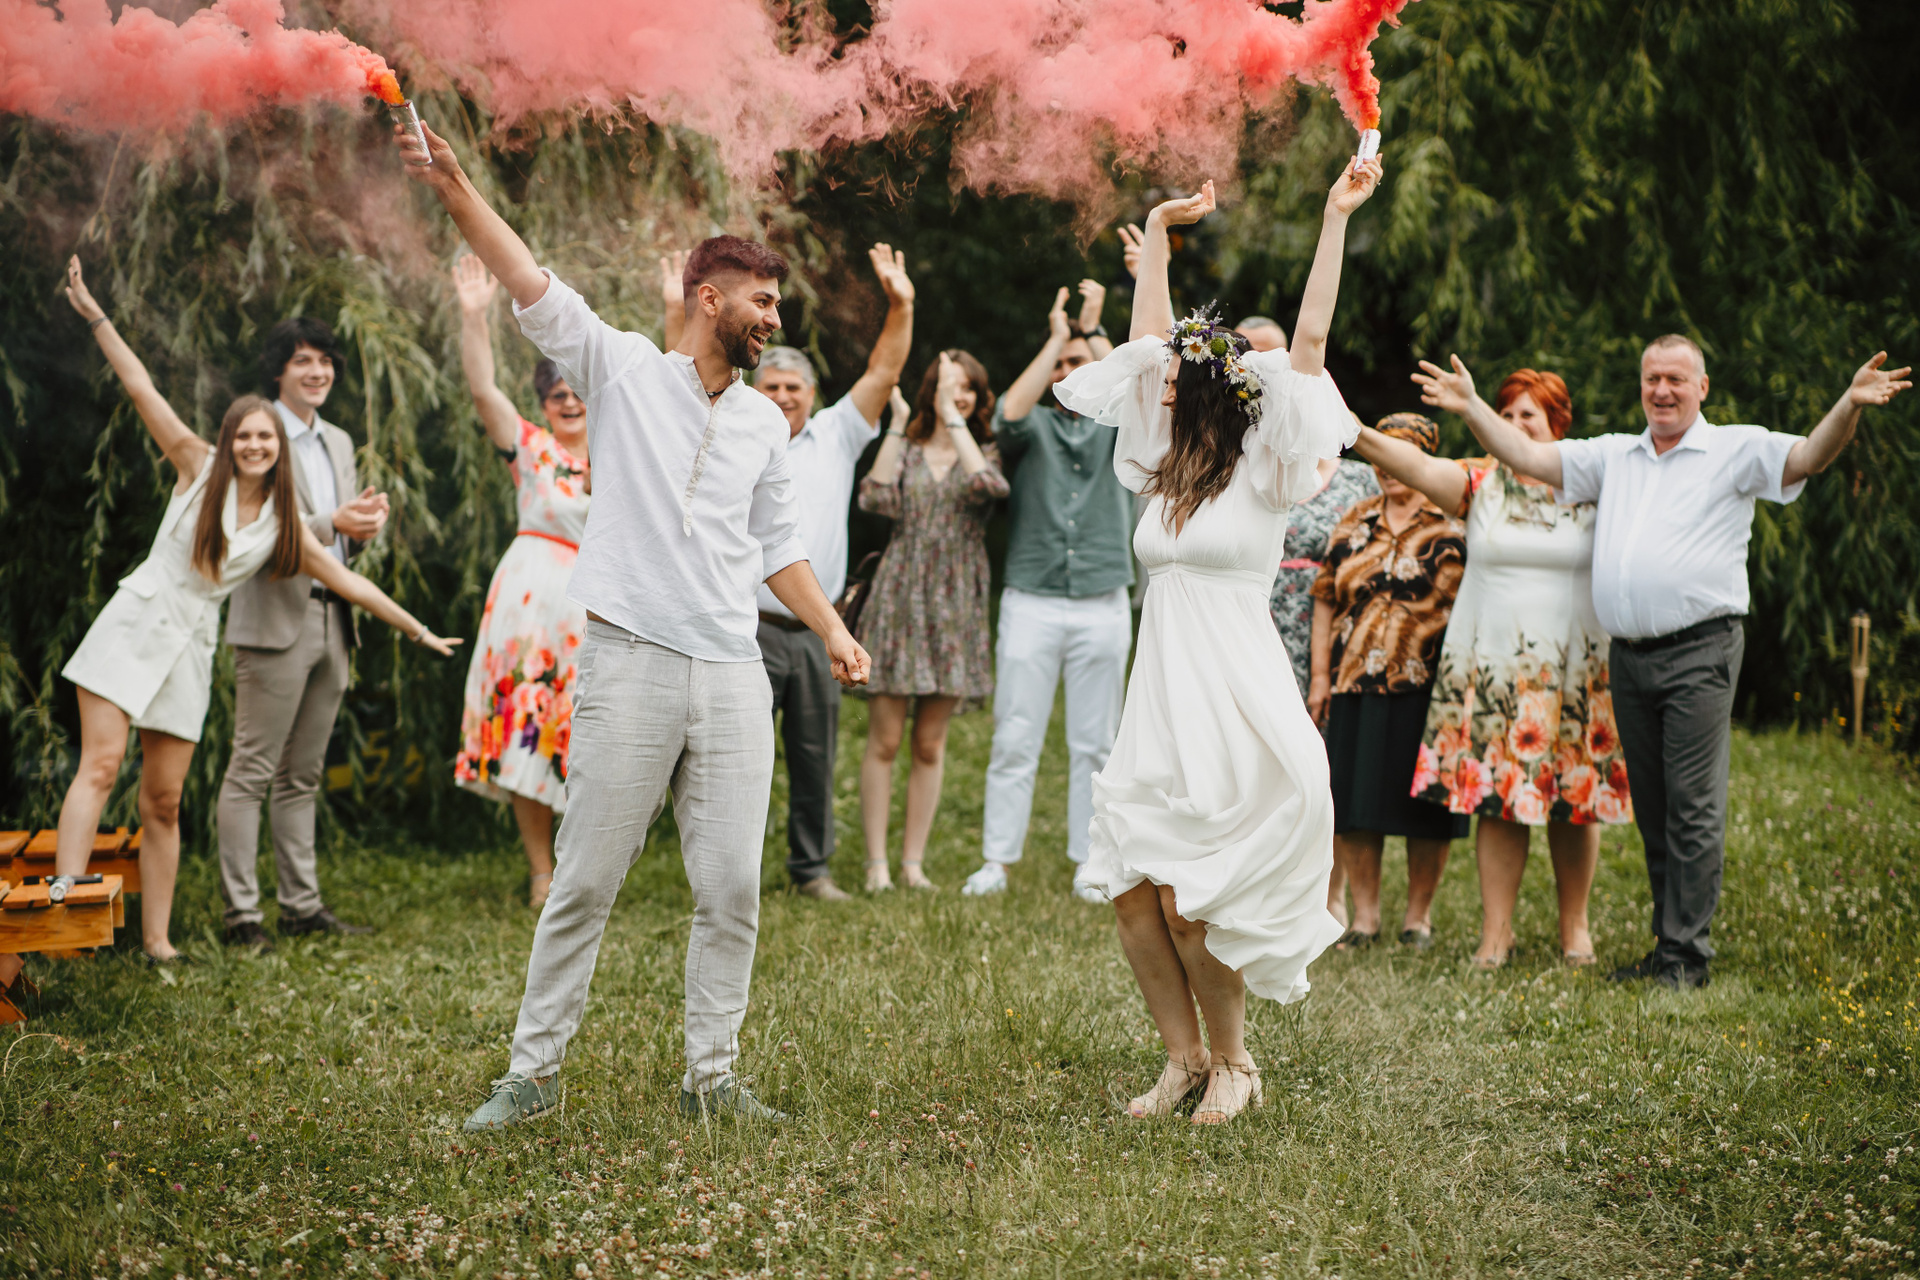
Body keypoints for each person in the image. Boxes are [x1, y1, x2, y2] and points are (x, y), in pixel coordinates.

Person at [396, 121, 870, 1130]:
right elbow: (525, 276)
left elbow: (777, 546)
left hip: (733, 670)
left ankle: (713, 1078)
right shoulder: (620, 371)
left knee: (732, 887)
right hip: (631, 662)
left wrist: (831, 628)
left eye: (777, 302)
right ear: (710, 299)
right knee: (585, 879)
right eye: (762, 300)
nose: (774, 317)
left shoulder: (764, 421)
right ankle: (531, 1075)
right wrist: (454, 186)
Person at [1415, 339, 1910, 989]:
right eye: (1652, 378)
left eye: (1676, 378)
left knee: (1692, 807)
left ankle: (1686, 956)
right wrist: (1474, 407)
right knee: (1654, 805)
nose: (1663, 390)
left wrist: (1849, 403)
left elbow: (1809, 457)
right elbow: (1528, 455)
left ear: (1702, 387)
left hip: (1700, 650)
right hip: (1630, 658)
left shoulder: (1735, 448)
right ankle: (1668, 943)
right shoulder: (1614, 456)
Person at [1061, 159, 1380, 1126]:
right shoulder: (1163, 463)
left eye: (1182, 375)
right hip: (1159, 693)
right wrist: (1159, 233)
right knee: (1133, 893)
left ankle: (1236, 1064)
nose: (1165, 382)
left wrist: (1335, 215)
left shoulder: (1271, 467)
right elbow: (1148, 337)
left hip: (1232, 689)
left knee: (1194, 900)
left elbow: (1311, 340)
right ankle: (1182, 1060)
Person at [52, 258, 458, 960]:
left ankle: (158, 941)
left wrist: (421, 631)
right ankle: (63, 901)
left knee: (164, 800)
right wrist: (96, 317)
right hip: (139, 620)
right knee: (103, 766)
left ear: (278, 452)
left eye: (265, 439)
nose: (254, 445)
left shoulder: (283, 528)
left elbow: (353, 584)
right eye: (244, 435)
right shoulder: (196, 466)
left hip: (192, 644)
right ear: (230, 438)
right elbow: (140, 385)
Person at [1352, 370, 1628, 968]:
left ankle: (1575, 928)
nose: (1516, 426)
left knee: (1575, 801)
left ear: (1559, 424)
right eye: (1506, 415)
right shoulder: (1480, 483)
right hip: (1495, 675)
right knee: (1500, 802)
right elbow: (1413, 465)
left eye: (1529, 415)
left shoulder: (1594, 484)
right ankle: (1496, 932)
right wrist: (1352, 429)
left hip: (1573, 673)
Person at [214, 313, 393, 950]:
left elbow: (334, 542)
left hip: (332, 617)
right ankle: (241, 917)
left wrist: (362, 527)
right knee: (251, 771)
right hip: (273, 620)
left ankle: (301, 906)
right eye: (302, 360)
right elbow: (254, 531)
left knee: (303, 774)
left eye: (325, 360)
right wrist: (332, 521)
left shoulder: (338, 441)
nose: (318, 371)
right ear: (278, 371)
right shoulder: (256, 435)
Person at [753, 244, 916, 901]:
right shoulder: (735, 434)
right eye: (772, 386)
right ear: (754, 392)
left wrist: (901, 305)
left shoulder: (838, 435)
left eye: (793, 388)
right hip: (749, 626)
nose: (783, 396)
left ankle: (811, 872)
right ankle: (729, 870)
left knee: (815, 755)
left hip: (822, 631)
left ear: (812, 395)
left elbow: (884, 369)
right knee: (740, 757)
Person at [963, 280, 1134, 902]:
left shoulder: (1120, 428)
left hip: (1102, 599)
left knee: (1096, 742)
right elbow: (1007, 411)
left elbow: (1137, 384)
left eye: (1079, 365)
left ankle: (1091, 863)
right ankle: (997, 861)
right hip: (1032, 599)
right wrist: (1059, 338)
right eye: (1061, 366)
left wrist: (1094, 333)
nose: (1069, 372)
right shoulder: (1031, 426)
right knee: (1015, 734)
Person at [450, 254, 591, 910]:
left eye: (577, 390)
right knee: (527, 725)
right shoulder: (531, 447)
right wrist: (473, 316)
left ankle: (585, 869)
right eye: (556, 394)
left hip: (596, 603)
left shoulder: (622, 448)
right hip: (530, 604)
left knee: (588, 731)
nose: (569, 402)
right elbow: (483, 391)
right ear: (543, 404)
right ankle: (541, 871)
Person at [1309, 414, 1470, 950]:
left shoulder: (1453, 521)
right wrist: (1320, 677)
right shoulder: (1355, 518)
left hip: (1429, 686)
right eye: (1382, 454)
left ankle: (1417, 918)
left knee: (1427, 810)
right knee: (1355, 807)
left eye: (1403, 453)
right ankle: (1365, 917)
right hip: (1355, 681)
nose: (1388, 466)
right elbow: (1325, 596)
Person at [855, 353, 1009, 891]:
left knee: (929, 744)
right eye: (948, 386)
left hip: (956, 604)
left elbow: (990, 487)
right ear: (929, 390)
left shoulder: (983, 448)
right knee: (885, 740)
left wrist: (954, 420)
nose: (958, 395)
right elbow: (874, 496)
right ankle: (876, 865)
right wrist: (899, 424)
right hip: (900, 596)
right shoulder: (909, 446)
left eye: (967, 387)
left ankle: (912, 863)